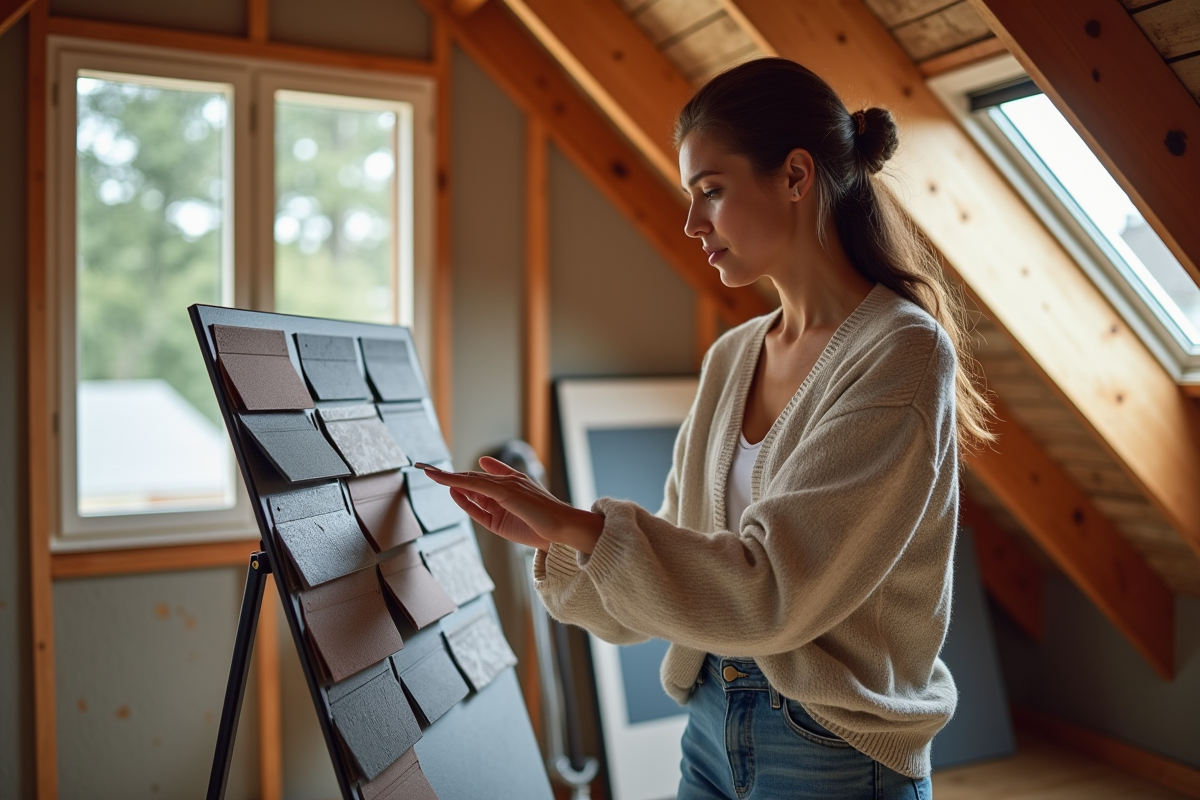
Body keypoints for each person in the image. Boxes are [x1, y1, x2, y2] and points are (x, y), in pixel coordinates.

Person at [417, 57, 993, 799]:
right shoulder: (733, 357)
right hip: (709, 721)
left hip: (834, 747)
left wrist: (583, 529)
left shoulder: (902, 353)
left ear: (795, 175)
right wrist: (562, 540)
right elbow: (687, 565)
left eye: (711, 192)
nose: (692, 222)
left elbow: (773, 592)